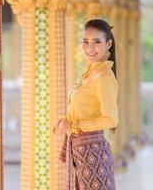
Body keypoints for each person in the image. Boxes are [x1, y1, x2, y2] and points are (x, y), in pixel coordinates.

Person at [53, 19, 119, 190]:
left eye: (97, 42)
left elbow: (111, 119)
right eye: (85, 42)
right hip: (81, 150)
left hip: (93, 152)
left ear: (108, 44)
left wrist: (75, 125)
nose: (90, 48)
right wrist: (65, 121)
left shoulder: (104, 78)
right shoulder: (89, 74)